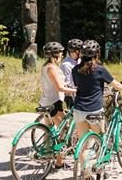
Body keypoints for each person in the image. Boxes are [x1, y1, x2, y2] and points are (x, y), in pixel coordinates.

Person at [72, 40, 122, 140]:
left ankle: (83, 154)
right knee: (100, 139)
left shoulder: (75, 69)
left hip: (79, 109)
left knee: (83, 141)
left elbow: (77, 85)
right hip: (94, 110)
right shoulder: (99, 69)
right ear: (97, 54)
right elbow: (116, 84)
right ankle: (99, 153)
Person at [39, 41, 76, 169]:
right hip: (53, 102)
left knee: (49, 130)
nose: (62, 54)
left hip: (45, 101)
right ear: (55, 54)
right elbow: (60, 88)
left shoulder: (45, 66)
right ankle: (59, 162)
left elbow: (53, 84)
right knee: (64, 130)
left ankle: (46, 155)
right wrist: (77, 91)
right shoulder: (51, 68)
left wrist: (68, 86)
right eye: (60, 52)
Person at [60, 38, 83, 109]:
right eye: (80, 51)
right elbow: (68, 83)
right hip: (71, 95)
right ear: (76, 51)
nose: (82, 53)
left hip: (80, 92)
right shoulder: (66, 65)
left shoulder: (79, 60)